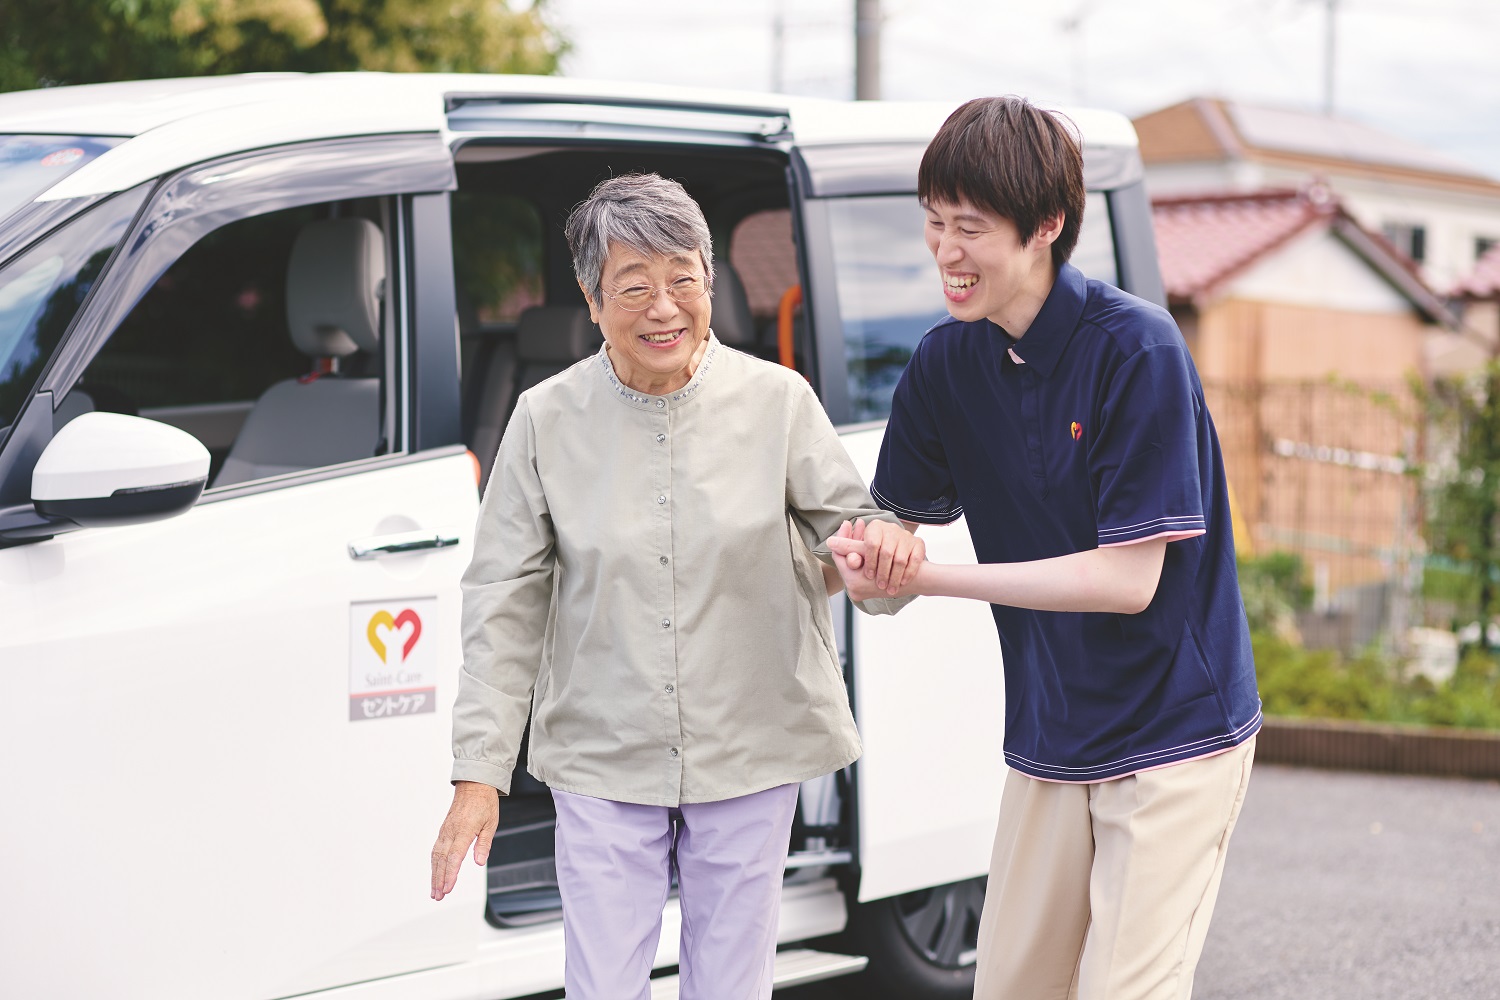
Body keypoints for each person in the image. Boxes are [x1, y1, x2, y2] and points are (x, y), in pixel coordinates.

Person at [428, 173, 921, 1000]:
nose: (664, 308)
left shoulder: (778, 402)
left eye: (683, 280)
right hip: (602, 750)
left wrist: (885, 556)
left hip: (753, 742)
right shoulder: (545, 419)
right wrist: (478, 773)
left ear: (710, 282)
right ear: (592, 300)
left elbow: (860, 545)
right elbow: (503, 605)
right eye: (634, 287)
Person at [828, 96, 1262, 1000]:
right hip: (1052, 730)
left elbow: (1128, 579)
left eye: (971, 228)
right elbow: (891, 552)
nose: (945, 251)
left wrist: (933, 576)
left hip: (1175, 730)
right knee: (1014, 987)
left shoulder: (1137, 350)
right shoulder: (944, 364)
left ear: (1048, 226)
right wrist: (876, 566)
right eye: (934, 222)